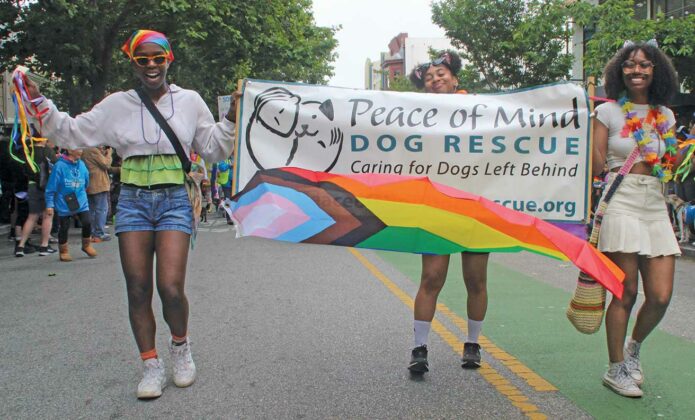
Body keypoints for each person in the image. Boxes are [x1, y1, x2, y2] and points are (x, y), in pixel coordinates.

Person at [24, 29, 237, 399]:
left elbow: (214, 149)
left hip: (173, 199)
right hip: (134, 202)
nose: (151, 65)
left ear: (169, 60)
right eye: (143, 59)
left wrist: (233, 117)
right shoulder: (116, 105)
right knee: (138, 288)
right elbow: (73, 133)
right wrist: (38, 100)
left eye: (158, 58)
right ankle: (150, 365)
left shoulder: (189, 102)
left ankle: (180, 347)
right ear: (134, 64)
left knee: (170, 287)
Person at [592, 41, 681, 398]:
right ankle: (615, 369)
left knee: (660, 295)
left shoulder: (667, 116)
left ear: (656, 71)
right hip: (621, 197)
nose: (637, 70)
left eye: (645, 65)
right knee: (625, 291)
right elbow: (596, 166)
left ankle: (633, 349)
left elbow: (669, 163)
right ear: (619, 71)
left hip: (654, 202)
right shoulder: (609, 113)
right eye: (630, 65)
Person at [406, 51, 490, 374]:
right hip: (437, 204)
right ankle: (419, 348)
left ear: (455, 79)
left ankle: (472, 344)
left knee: (476, 280)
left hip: (475, 203)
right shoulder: (418, 116)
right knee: (431, 277)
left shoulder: (480, 110)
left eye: (441, 73)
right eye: (429, 78)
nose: (435, 79)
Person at [15, 137, 57, 256]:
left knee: (32, 216)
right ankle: (44, 246)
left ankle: (21, 246)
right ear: (43, 139)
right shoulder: (48, 151)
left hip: (32, 185)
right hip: (47, 187)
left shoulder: (28, 151)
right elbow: (55, 168)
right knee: (48, 216)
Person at [82, 146, 113, 242]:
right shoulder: (92, 150)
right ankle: (99, 233)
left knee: (91, 209)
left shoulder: (85, 149)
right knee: (101, 209)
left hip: (90, 184)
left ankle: (92, 232)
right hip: (98, 184)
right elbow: (106, 164)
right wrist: (109, 154)